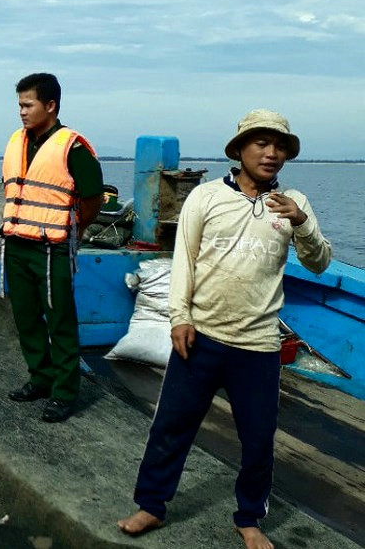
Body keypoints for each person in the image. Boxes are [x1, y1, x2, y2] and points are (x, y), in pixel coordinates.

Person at [117, 109, 332, 549]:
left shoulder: (295, 203)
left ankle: (250, 517)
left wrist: (302, 223)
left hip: (257, 346)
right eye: (261, 143)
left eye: (279, 147)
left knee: (257, 440)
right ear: (239, 150)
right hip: (202, 337)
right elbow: (185, 261)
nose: (271, 154)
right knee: (171, 428)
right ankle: (152, 506)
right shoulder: (206, 198)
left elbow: (319, 261)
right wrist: (179, 316)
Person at [2, 73, 104, 423]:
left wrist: (78, 226)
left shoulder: (72, 147)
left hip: (51, 250)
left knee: (60, 321)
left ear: (50, 105)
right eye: (19, 105)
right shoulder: (17, 141)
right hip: (16, 244)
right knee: (26, 318)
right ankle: (40, 378)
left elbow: (93, 197)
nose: (22, 112)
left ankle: (64, 392)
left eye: (28, 105)